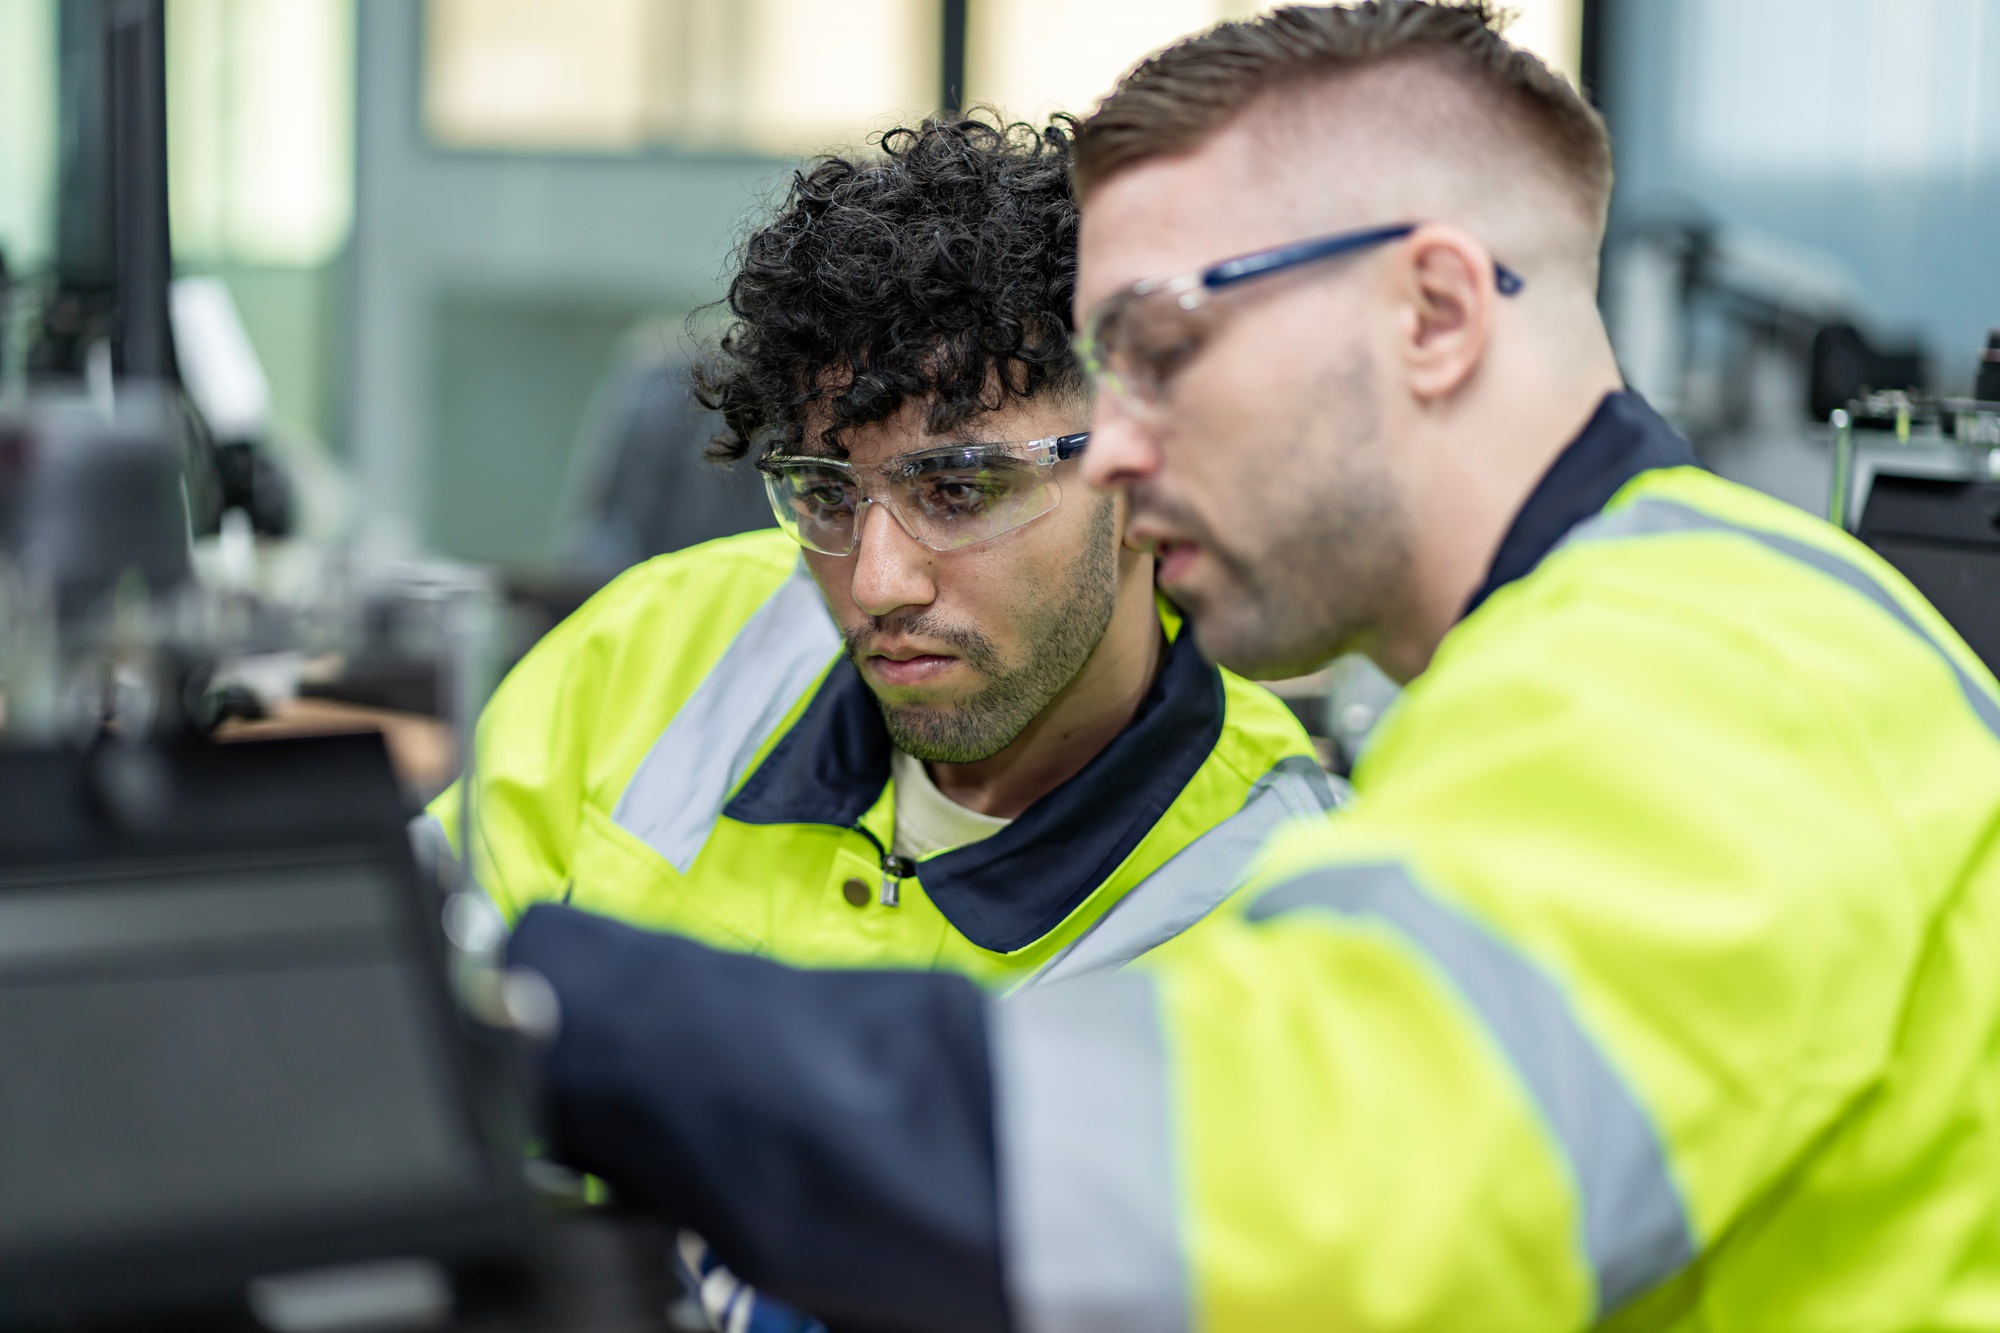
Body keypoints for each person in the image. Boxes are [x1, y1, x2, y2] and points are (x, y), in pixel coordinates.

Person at [501, 5, 2000, 1330]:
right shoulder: (1562, 665)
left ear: (1433, 313)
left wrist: (546, 1002)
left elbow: (1277, 1209)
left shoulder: (1703, 683)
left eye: (1163, 350)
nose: (1124, 450)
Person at [427, 114, 1331, 988]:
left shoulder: (1279, 902)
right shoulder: (655, 645)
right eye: (828, 494)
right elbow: (389, 1002)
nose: (876, 582)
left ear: (1140, 475)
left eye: (959, 490)